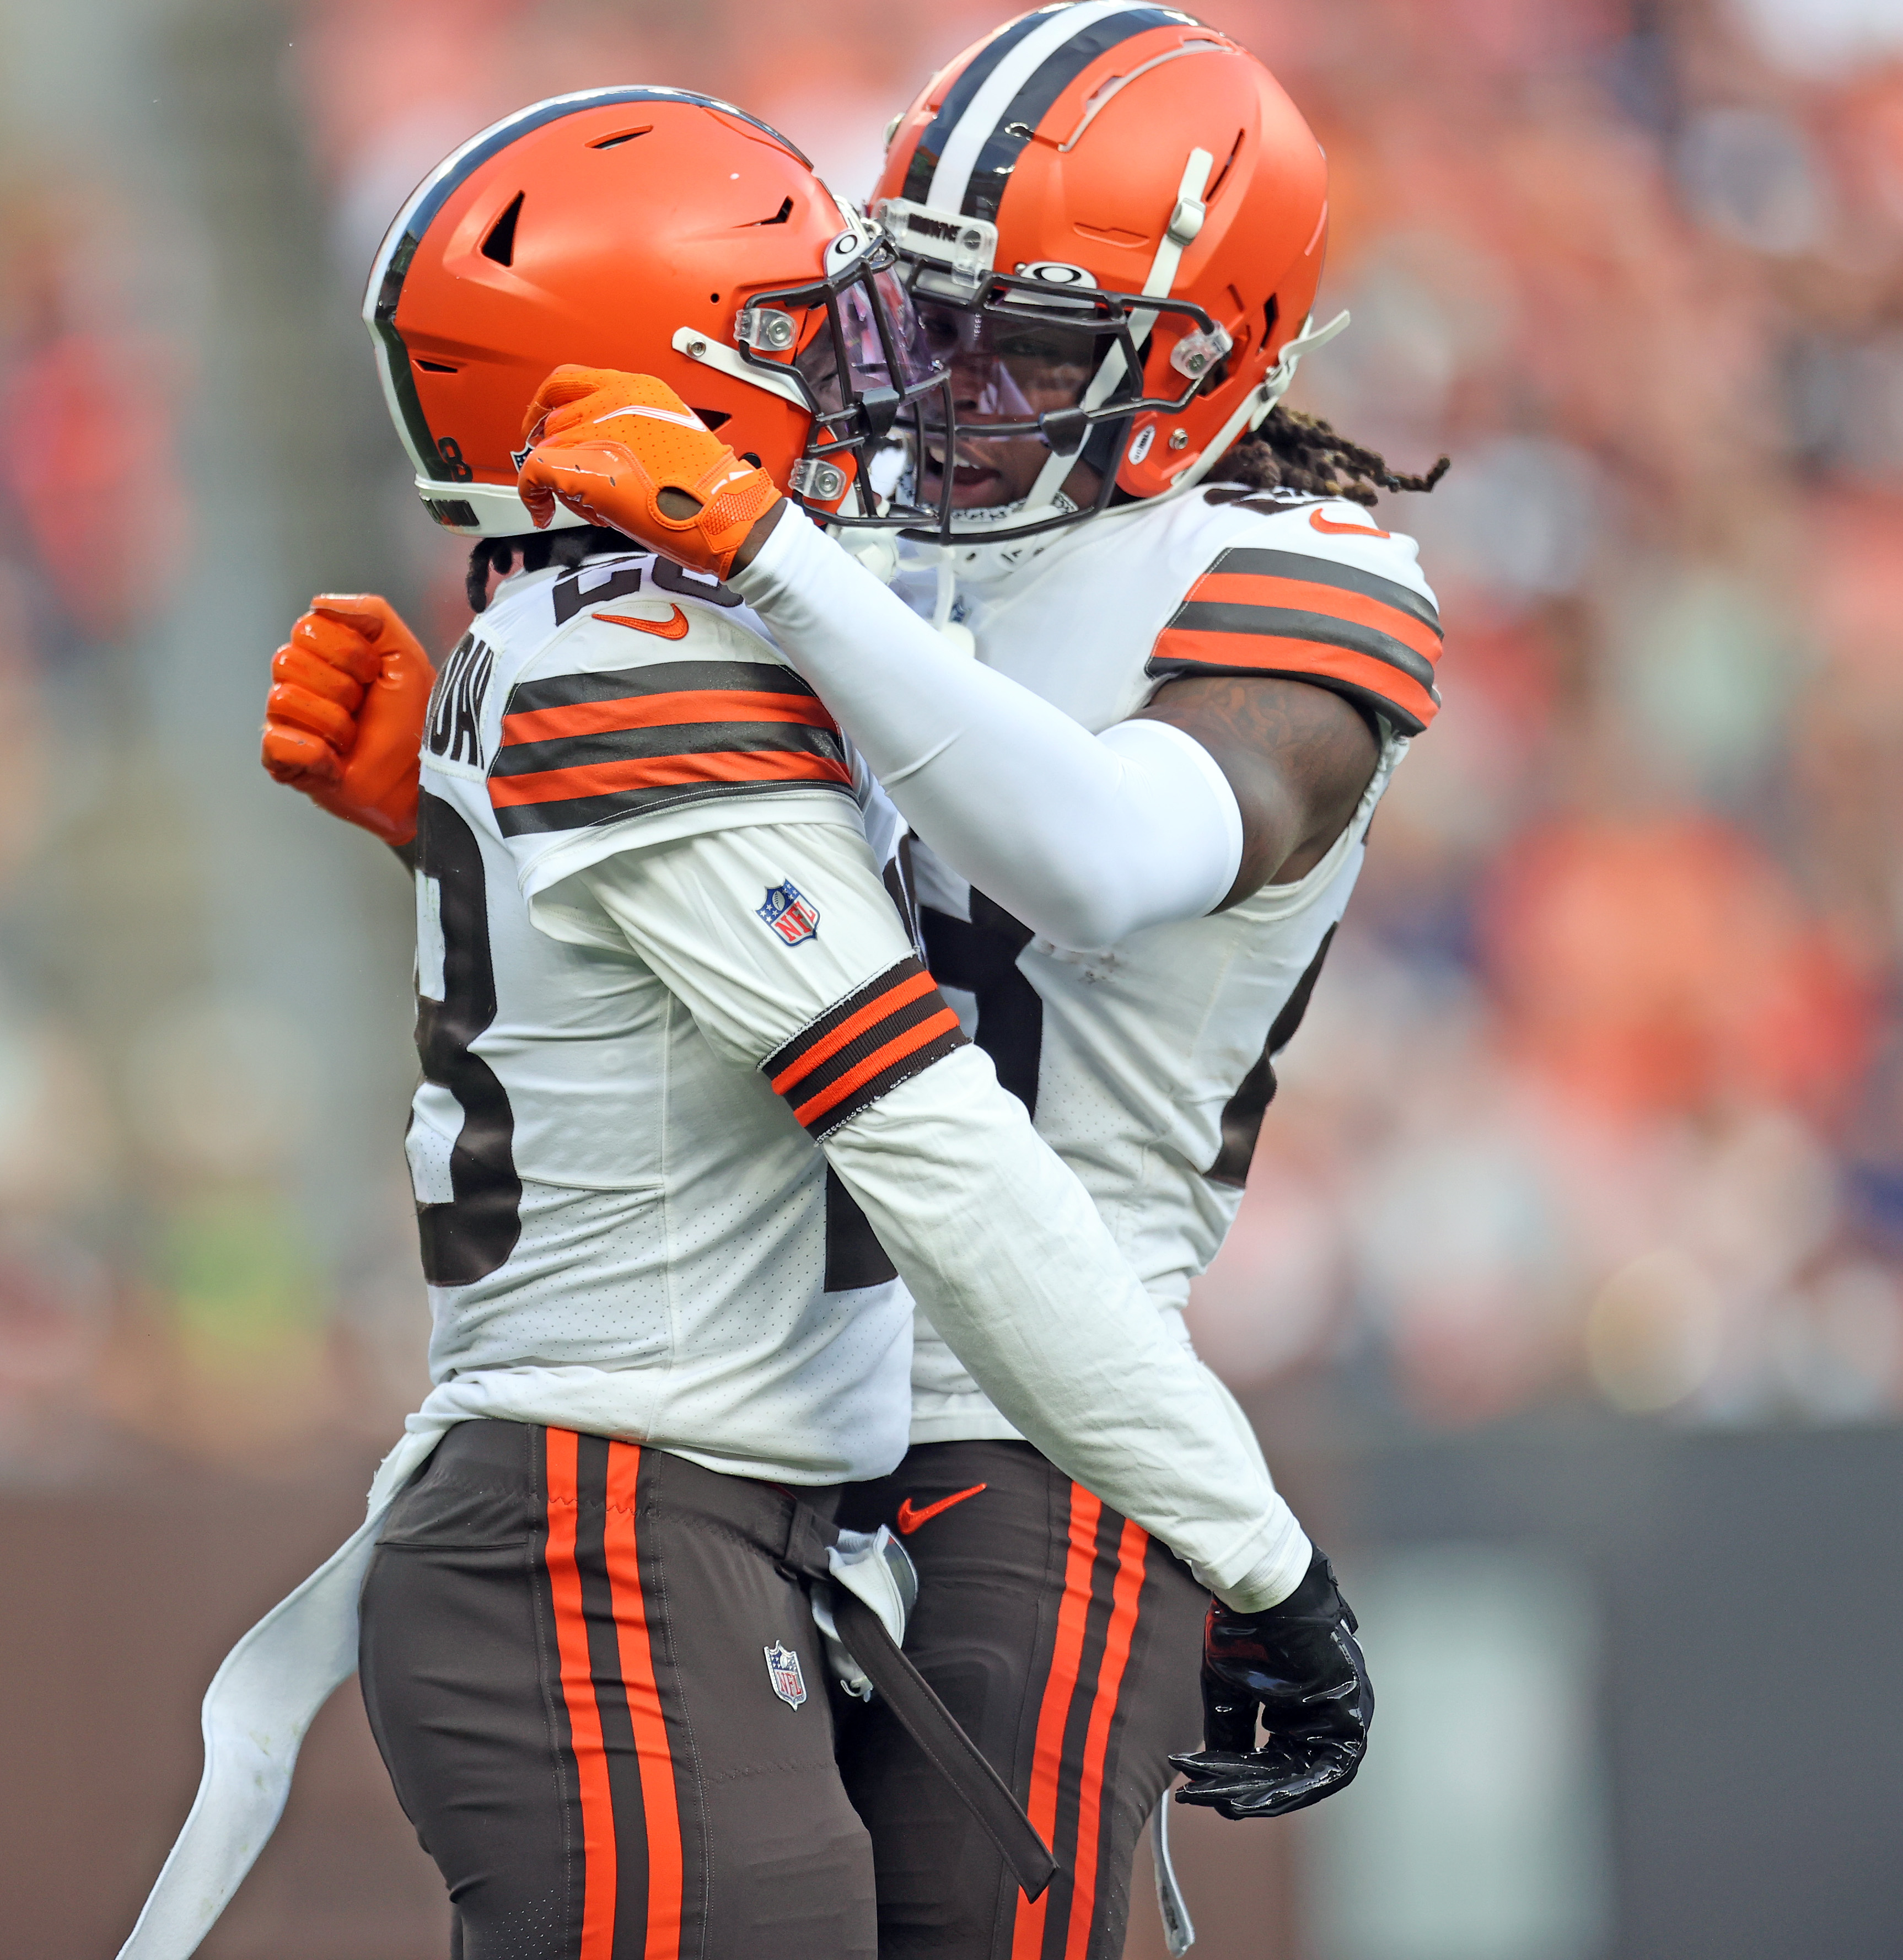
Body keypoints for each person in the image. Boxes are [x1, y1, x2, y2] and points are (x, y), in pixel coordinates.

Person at [120, 80, 1368, 1960]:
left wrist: (465, 813)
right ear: (649, 392)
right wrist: (1257, 1545)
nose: (905, 379)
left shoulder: (659, 619)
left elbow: (1074, 866)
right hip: (635, 1511)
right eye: (829, 331)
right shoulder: (672, 643)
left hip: (729, 1497)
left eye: (992, 335)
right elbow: (928, 1138)